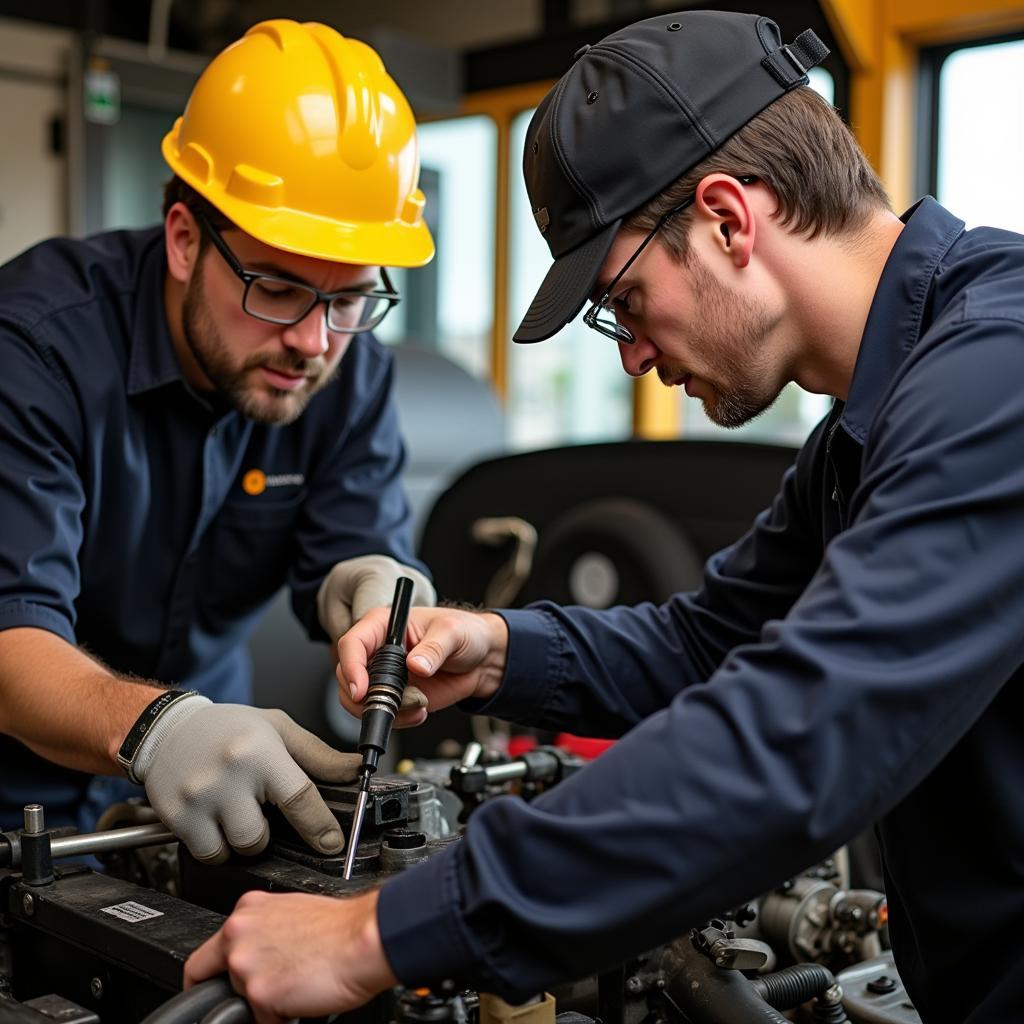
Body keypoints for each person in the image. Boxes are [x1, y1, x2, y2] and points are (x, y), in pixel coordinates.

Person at [185, 9, 1024, 1024]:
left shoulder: (994, 378)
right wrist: (494, 649)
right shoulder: (871, 423)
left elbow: (799, 736)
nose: (630, 357)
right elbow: (714, 640)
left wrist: (377, 933)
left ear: (726, 219)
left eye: (623, 301)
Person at [0, 19, 436, 864]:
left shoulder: (348, 366)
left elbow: (354, 546)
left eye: (350, 299)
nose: (314, 343)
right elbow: (10, 638)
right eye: (277, 287)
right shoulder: (34, 349)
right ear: (184, 238)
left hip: (210, 797)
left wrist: (371, 585)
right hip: (20, 801)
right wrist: (158, 728)